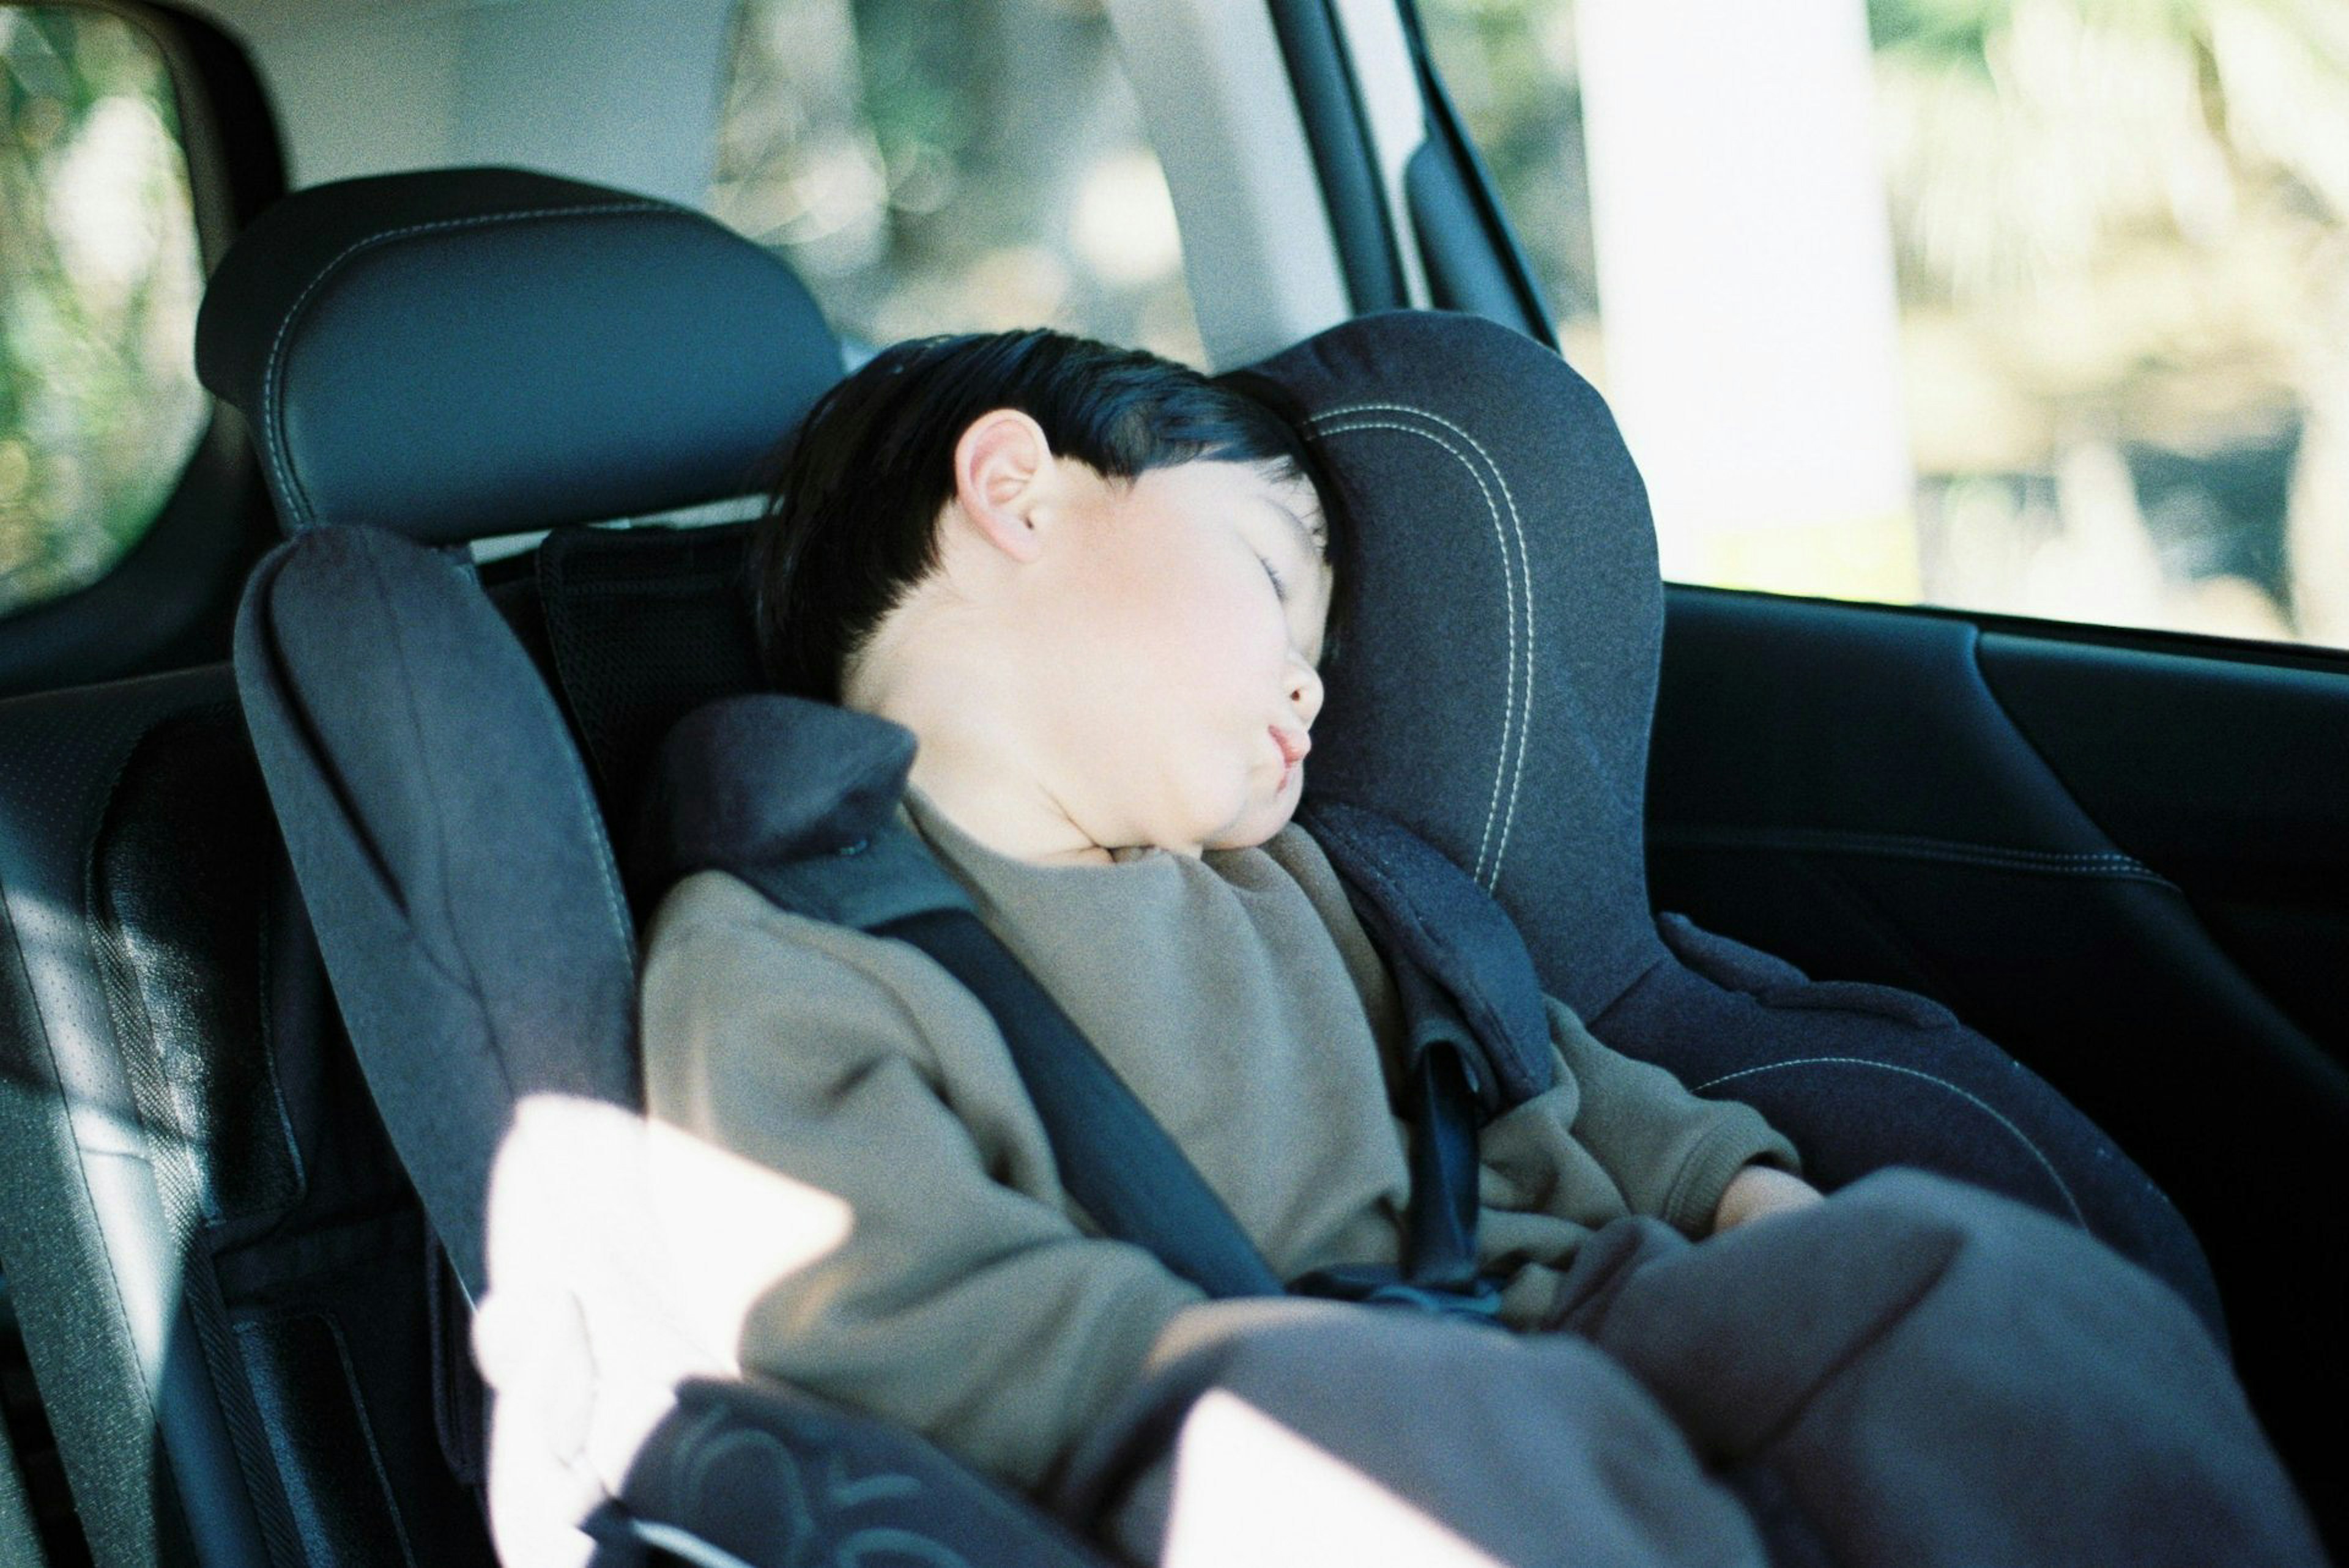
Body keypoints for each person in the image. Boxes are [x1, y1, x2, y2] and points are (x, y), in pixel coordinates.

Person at [637, 328, 2325, 1566]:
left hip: (1593, 1305)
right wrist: (1233, 1367)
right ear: (1016, 489)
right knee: (1425, 1474)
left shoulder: (1323, 886)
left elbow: (1558, 1077)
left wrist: (1751, 1203)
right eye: (1265, 585)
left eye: (1322, 652)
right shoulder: (796, 947)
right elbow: (884, 1297)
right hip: (1282, 1411)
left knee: (1964, 1278)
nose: (1312, 686)